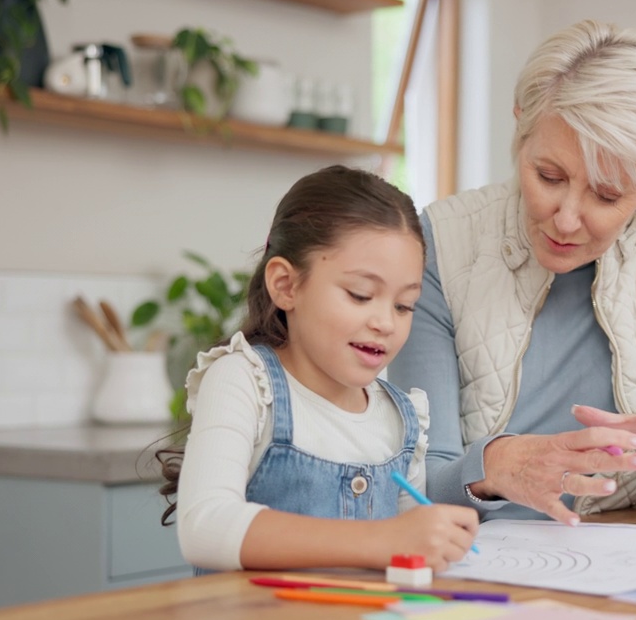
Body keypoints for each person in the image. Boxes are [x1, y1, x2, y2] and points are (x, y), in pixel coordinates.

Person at [388, 20, 636, 526]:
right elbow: (417, 480)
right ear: (521, 125)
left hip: (627, 548)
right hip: (481, 555)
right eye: (549, 176)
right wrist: (493, 467)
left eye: (607, 195)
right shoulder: (443, 239)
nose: (565, 219)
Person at [158, 165, 479, 573]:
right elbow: (204, 527)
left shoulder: (403, 418)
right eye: (361, 295)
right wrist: (383, 540)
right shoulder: (244, 382)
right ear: (287, 285)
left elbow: (405, 559)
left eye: (404, 305)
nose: (386, 322)